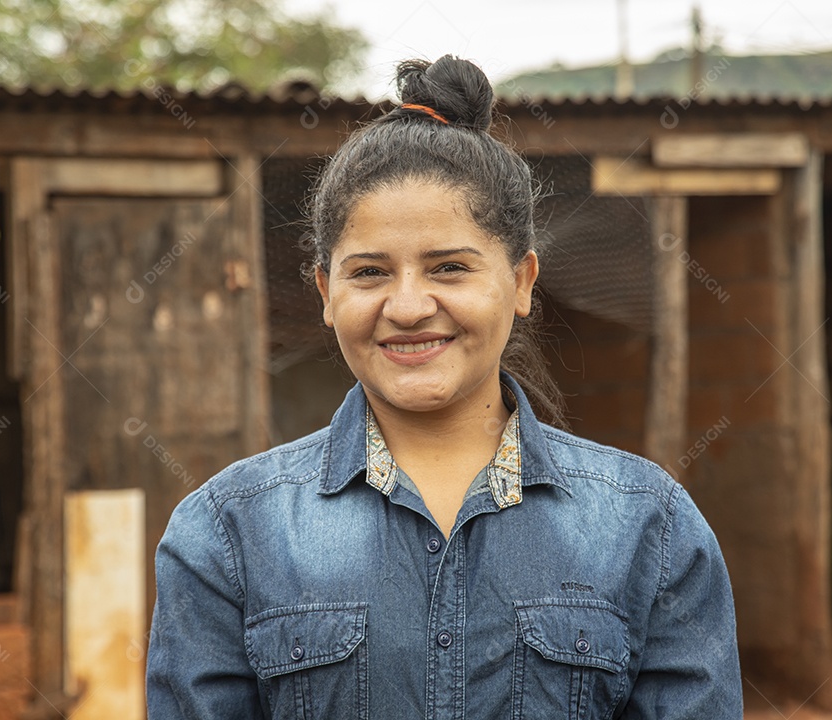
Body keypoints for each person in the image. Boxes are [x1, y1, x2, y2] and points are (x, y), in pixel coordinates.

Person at [147, 55, 743, 719]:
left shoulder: (650, 528)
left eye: (450, 268)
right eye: (369, 272)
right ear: (324, 291)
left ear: (520, 281)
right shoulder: (225, 534)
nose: (406, 307)